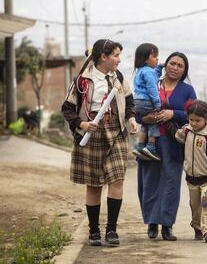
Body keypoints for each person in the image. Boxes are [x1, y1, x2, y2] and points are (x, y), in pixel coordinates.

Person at [61, 39, 138, 246]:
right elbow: (67, 108)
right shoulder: (82, 81)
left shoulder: (119, 77)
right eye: (115, 55)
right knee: (94, 184)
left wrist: (130, 118)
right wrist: (82, 124)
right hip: (92, 133)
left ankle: (111, 230)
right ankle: (93, 231)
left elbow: (129, 101)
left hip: (116, 132)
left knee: (117, 179)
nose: (119, 60)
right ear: (103, 57)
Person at [137, 52, 197, 241]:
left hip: (173, 142)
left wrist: (173, 114)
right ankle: (152, 223)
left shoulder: (187, 90)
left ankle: (167, 225)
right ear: (165, 64)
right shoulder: (153, 82)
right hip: (149, 142)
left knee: (171, 183)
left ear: (184, 70)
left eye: (180, 65)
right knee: (149, 182)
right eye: (172, 63)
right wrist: (143, 118)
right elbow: (138, 107)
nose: (175, 67)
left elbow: (196, 115)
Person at [166, 100, 207, 243]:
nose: (194, 123)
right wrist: (168, 123)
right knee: (195, 206)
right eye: (191, 120)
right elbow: (176, 135)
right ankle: (198, 228)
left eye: (198, 120)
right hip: (191, 178)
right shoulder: (187, 131)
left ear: (206, 119)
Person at [132, 43, 162, 161]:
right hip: (147, 101)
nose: (157, 59)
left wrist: (159, 68)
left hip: (137, 102)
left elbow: (154, 76)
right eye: (154, 56)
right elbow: (152, 88)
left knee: (146, 124)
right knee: (154, 121)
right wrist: (157, 104)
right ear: (145, 58)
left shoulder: (140, 71)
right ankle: (151, 146)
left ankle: (140, 146)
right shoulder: (148, 71)